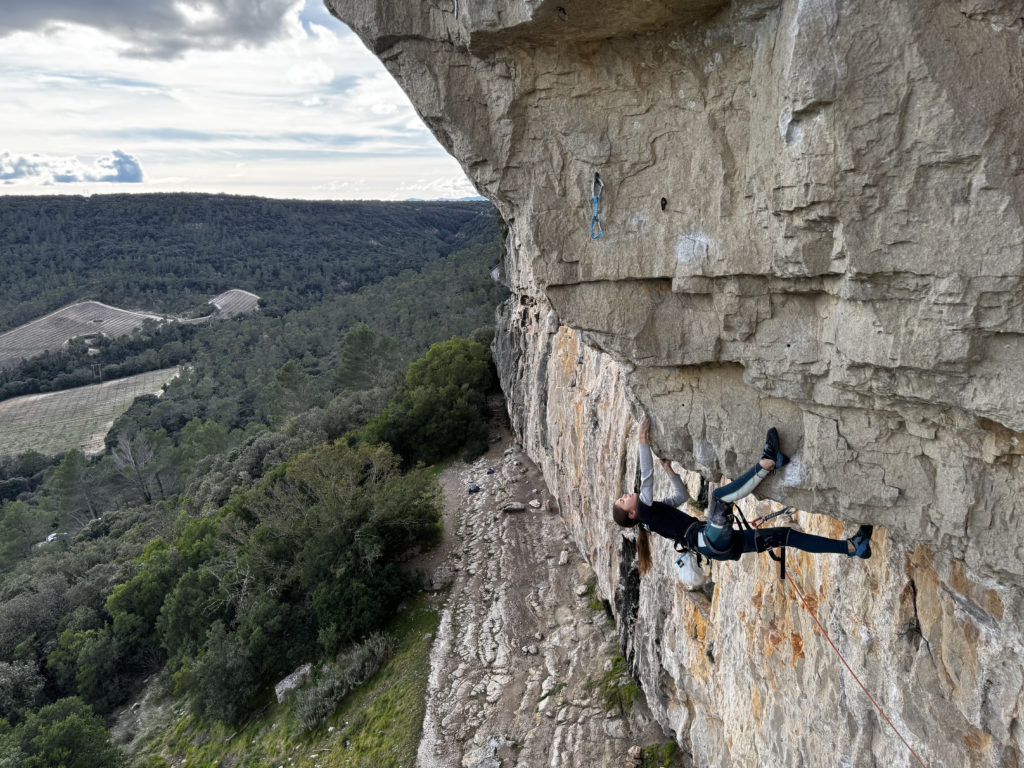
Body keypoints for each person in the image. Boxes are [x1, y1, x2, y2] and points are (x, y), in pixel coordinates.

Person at [612, 416, 873, 574]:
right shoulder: (644, 511)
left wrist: (670, 471)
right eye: (624, 500)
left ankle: (853, 547)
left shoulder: (650, 515)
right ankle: (768, 463)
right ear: (632, 514)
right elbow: (646, 475)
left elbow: (680, 497)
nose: (626, 495)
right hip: (709, 539)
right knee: (719, 499)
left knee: (784, 536)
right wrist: (642, 439)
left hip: (719, 547)